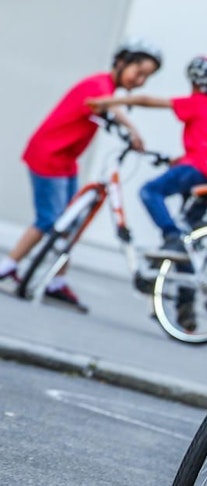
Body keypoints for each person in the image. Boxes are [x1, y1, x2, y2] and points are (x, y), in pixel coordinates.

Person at [0, 38, 162, 311]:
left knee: (68, 225)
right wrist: (133, 129)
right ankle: (9, 267)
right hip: (48, 157)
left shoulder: (107, 88)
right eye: (139, 72)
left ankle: (53, 281)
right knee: (50, 221)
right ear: (122, 63)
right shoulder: (99, 85)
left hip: (65, 162)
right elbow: (101, 103)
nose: (141, 81)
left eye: (147, 76)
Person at [87, 54, 207, 261]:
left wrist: (108, 101)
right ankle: (185, 288)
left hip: (195, 169)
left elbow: (146, 100)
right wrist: (177, 161)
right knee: (188, 235)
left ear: (197, 82)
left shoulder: (199, 103)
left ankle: (170, 235)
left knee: (150, 191)